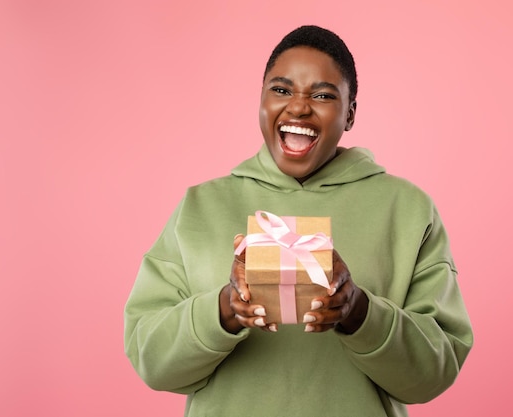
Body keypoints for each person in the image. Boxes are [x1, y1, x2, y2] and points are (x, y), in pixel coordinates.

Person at [124, 25, 473, 417]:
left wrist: (358, 312)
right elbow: (149, 358)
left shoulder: (408, 210)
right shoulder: (199, 206)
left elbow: (434, 373)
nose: (299, 107)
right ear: (261, 101)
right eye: (281, 90)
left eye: (323, 95)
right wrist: (223, 311)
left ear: (351, 114)